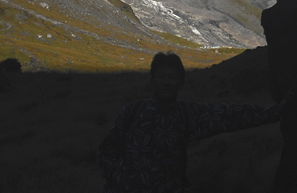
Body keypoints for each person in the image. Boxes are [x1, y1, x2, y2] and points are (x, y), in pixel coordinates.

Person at [97, 51, 282, 193]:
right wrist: (118, 178)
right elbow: (107, 149)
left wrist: (273, 113)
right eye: (161, 77)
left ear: (181, 82)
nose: (166, 82)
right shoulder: (132, 111)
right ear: (152, 80)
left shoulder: (187, 113)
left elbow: (228, 115)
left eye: (172, 77)